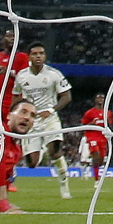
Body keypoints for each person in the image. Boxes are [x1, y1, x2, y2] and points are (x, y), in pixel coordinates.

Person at [13, 43, 72, 199]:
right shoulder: (22, 76)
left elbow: (67, 96)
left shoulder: (54, 74)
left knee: (55, 151)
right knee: (32, 164)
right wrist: (16, 114)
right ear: (29, 57)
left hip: (50, 119)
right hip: (32, 121)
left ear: (45, 56)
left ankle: (64, 186)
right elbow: (15, 96)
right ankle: (43, 152)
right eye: (34, 53)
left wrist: (51, 110)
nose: (38, 56)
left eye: (41, 53)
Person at [0, 30, 28, 128]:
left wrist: (9, 73)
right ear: (3, 40)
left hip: (11, 101)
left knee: (10, 130)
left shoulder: (23, 58)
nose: (12, 38)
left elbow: (25, 81)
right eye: (9, 36)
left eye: (14, 36)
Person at [80, 93, 113, 182]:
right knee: (97, 156)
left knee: (100, 161)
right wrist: (92, 124)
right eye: (98, 98)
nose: (101, 99)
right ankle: (96, 180)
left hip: (102, 138)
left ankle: (88, 163)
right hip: (92, 136)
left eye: (102, 98)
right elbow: (82, 125)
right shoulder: (90, 112)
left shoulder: (108, 113)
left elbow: (110, 125)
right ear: (95, 100)